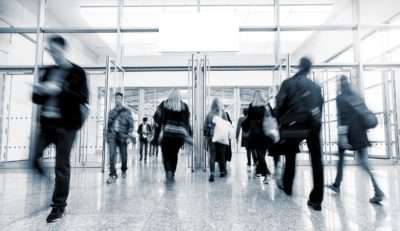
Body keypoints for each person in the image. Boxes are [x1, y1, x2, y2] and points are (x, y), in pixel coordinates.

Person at [31, 35, 89, 223]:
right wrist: (39, 90)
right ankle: (50, 182)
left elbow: (82, 97)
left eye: (56, 51)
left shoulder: (77, 72)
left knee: (61, 166)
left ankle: (58, 206)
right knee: (33, 159)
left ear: (63, 50)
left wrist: (59, 91)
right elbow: (36, 98)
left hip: (67, 126)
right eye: (51, 51)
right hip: (47, 123)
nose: (54, 54)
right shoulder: (46, 71)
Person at [274, 57, 324, 211]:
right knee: (316, 159)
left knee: (290, 154)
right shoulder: (315, 87)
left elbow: (280, 103)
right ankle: (316, 199)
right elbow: (320, 105)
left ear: (299, 67)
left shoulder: (288, 83)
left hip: (293, 124)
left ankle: (288, 186)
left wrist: (278, 120)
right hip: (313, 124)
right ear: (309, 69)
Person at [327, 75, 384, 204]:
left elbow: (343, 118)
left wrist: (342, 136)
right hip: (361, 133)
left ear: (340, 85)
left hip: (349, 133)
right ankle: (337, 184)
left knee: (361, 162)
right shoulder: (357, 96)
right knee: (352, 159)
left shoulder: (340, 98)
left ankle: (378, 190)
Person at [153, 89, 192, 182]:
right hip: (179, 136)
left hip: (167, 134)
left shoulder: (164, 104)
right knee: (174, 154)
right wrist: (188, 134)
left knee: (166, 155)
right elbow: (187, 122)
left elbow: (156, 118)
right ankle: (172, 171)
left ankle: (168, 171)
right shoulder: (184, 106)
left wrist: (158, 133)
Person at [242, 90, 272, 184]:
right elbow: (273, 116)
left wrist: (244, 126)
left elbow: (248, 119)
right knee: (261, 154)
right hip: (265, 133)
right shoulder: (267, 106)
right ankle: (262, 172)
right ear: (263, 96)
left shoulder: (252, 106)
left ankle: (266, 174)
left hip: (255, 133)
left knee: (259, 155)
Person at [106, 92, 134, 184]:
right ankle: (112, 174)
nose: (117, 100)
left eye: (119, 98)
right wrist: (106, 135)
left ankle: (124, 170)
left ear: (122, 99)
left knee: (124, 156)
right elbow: (108, 125)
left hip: (123, 136)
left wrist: (129, 136)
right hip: (112, 136)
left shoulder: (127, 111)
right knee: (112, 155)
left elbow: (131, 125)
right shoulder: (111, 112)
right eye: (116, 98)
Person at [204, 98, 230, 182]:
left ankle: (212, 173)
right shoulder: (223, 113)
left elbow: (205, 128)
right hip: (221, 137)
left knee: (212, 155)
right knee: (222, 154)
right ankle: (222, 171)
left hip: (211, 137)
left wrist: (207, 135)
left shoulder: (209, 114)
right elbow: (227, 125)